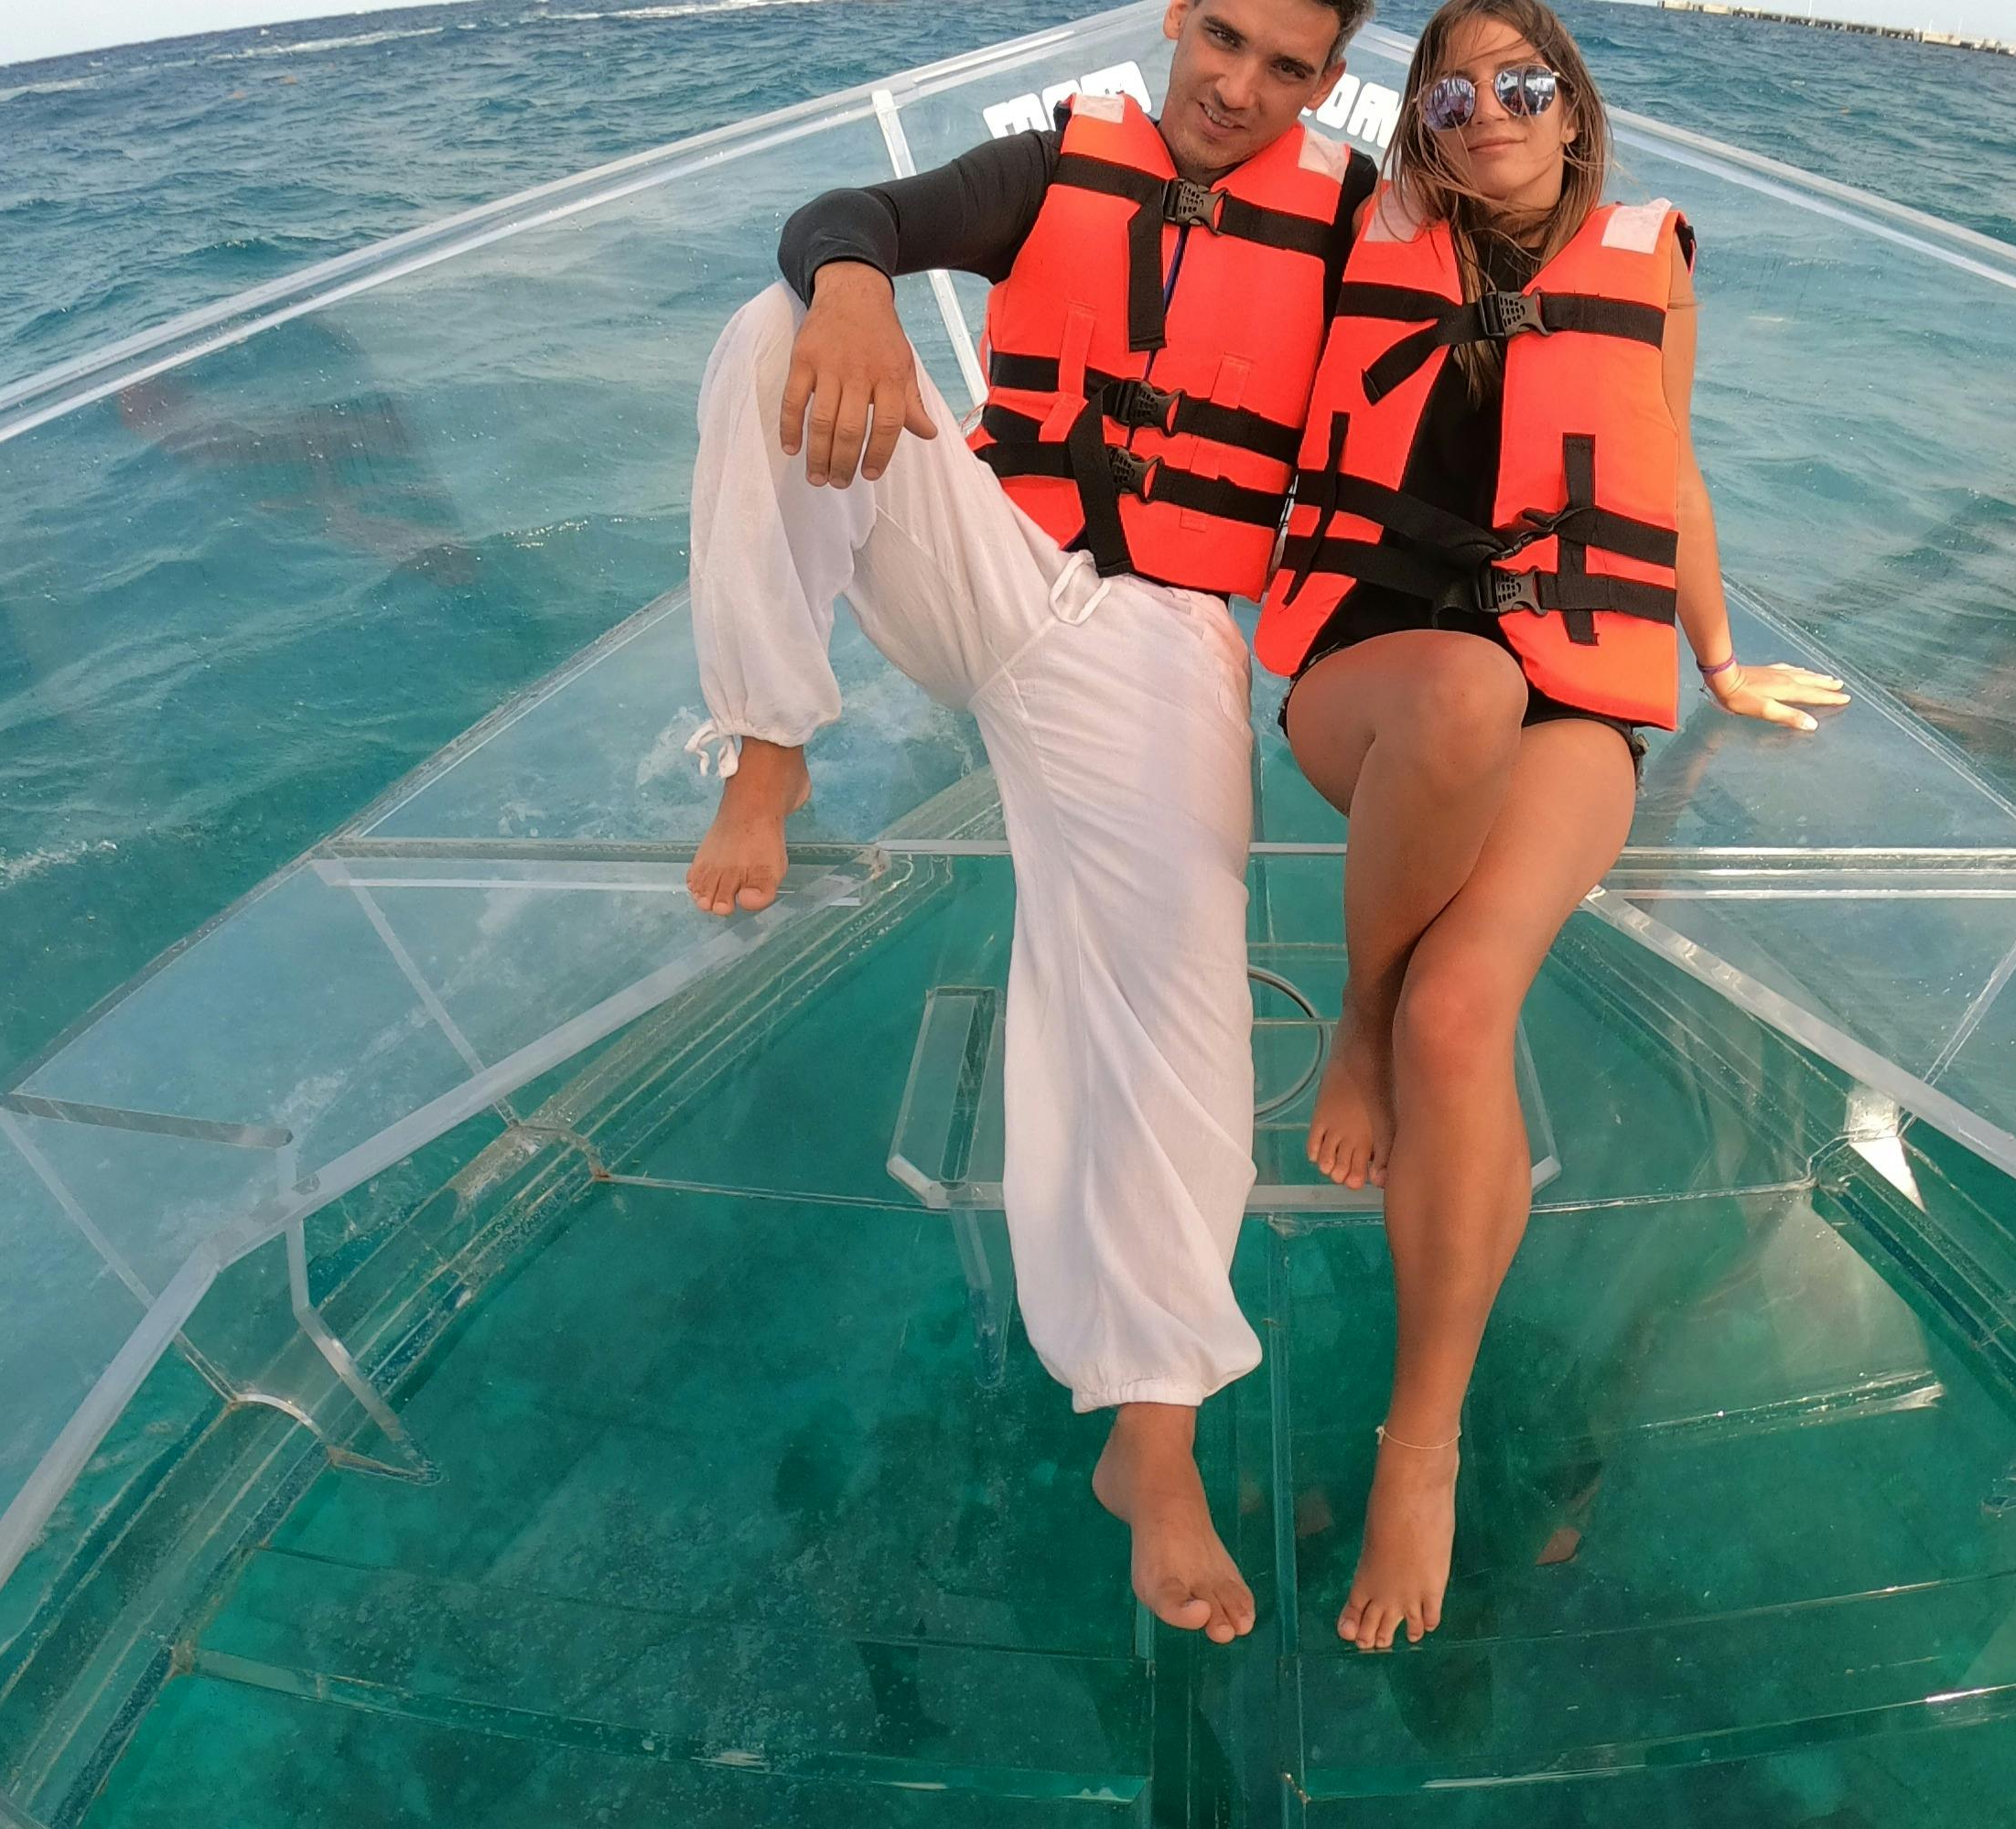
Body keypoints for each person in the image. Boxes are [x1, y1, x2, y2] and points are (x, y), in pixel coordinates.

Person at [681, 0, 1382, 1644]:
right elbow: (848, 215)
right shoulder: (1066, 161)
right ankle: (768, 748)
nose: (1237, 87)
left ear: (1329, 81)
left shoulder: (1352, 222)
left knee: (1176, 1004)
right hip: (993, 566)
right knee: (774, 325)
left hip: (1161, 640)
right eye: (1222, 36)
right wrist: (856, 286)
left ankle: (1153, 1434)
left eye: (1286, 68)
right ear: (1177, 15)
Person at [1253, 0, 1848, 1650]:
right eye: (1451, 95)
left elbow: (1671, 472)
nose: (1491, 110)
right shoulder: (1366, 232)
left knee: (1466, 1012)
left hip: (1576, 695)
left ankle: (1421, 1441)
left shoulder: (1650, 262)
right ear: (1422, 131)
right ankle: (1355, 1015)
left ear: (1571, 108)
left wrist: (1719, 662)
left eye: (1522, 83)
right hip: (1378, 679)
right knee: (1459, 700)